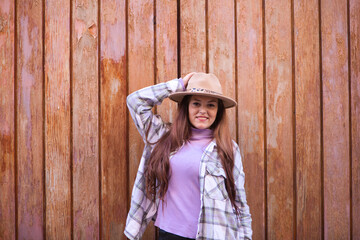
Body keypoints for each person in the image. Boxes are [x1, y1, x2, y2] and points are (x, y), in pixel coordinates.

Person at [124, 72, 252, 240]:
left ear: (218, 110)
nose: (203, 111)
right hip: (170, 234)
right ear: (186, 107)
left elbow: (239, 204)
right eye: (196, 103)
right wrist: (178, 85)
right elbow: (135, 102)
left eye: (211, 105)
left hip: (213, 234)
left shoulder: (228, 149)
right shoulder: (163, 138)